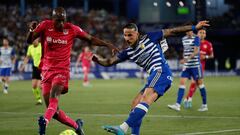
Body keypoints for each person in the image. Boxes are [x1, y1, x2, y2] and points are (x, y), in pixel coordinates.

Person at [92, 21, 210, 135]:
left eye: (130, 35)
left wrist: (195, 27)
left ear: (137, 34)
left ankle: (122, 128)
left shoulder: (150, 37)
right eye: (125, 35)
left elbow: (173, 31)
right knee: (135, 104)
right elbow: (109, 62)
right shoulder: (127, 52)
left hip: (161, 71)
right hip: (155, 75)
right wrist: (98, 60)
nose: (127, 38)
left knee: (145, 98)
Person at [26, 7, 119, 135]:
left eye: (63, 20)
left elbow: (90, 39)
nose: (61, 24)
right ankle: (77, 126)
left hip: (62, 71)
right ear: (52, 19)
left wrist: (108, 44)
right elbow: (29, 40)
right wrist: (31, 30)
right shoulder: (45, 25)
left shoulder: (72, 29)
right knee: (54, 112)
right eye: (58, 21)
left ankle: (44, 124)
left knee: (54, 97)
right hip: (46, 71)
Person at [168, 26, 209, 112]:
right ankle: (177, 105)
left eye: (189, 31)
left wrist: (186, 59)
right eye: (186, 31)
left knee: (200, 84)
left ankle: (204, 105)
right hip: (187, 66)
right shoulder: (184, 39)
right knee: (182, 84)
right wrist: (184, 60)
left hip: (195, 66)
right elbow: (185, 50)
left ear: (192, 31)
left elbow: (196, 51)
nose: (188, 32)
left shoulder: (196, 38)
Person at [183, 28, 214, 108]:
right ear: (197, 34)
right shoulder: (193, 41)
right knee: (195, 83)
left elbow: (211, 55)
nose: (202, 34)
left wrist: (206, 56)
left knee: (195, 83)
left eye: (204, 33)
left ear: (205, 35)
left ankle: (188, 99)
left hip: (199, 66)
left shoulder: (208, 44)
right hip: (190, 65)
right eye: (200, 32)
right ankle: (189, 99)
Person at [19, 38, 43, 105]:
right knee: (34, 86)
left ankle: (51, 98)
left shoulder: (42, 46)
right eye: (32, 40)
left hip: (43, 68)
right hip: (35, 68)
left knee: (40, 86)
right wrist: (23, 66)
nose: (33, 41)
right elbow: (27, 57)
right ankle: (39, 100)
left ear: (38, 40)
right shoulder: (30, 47)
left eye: (34, 40)